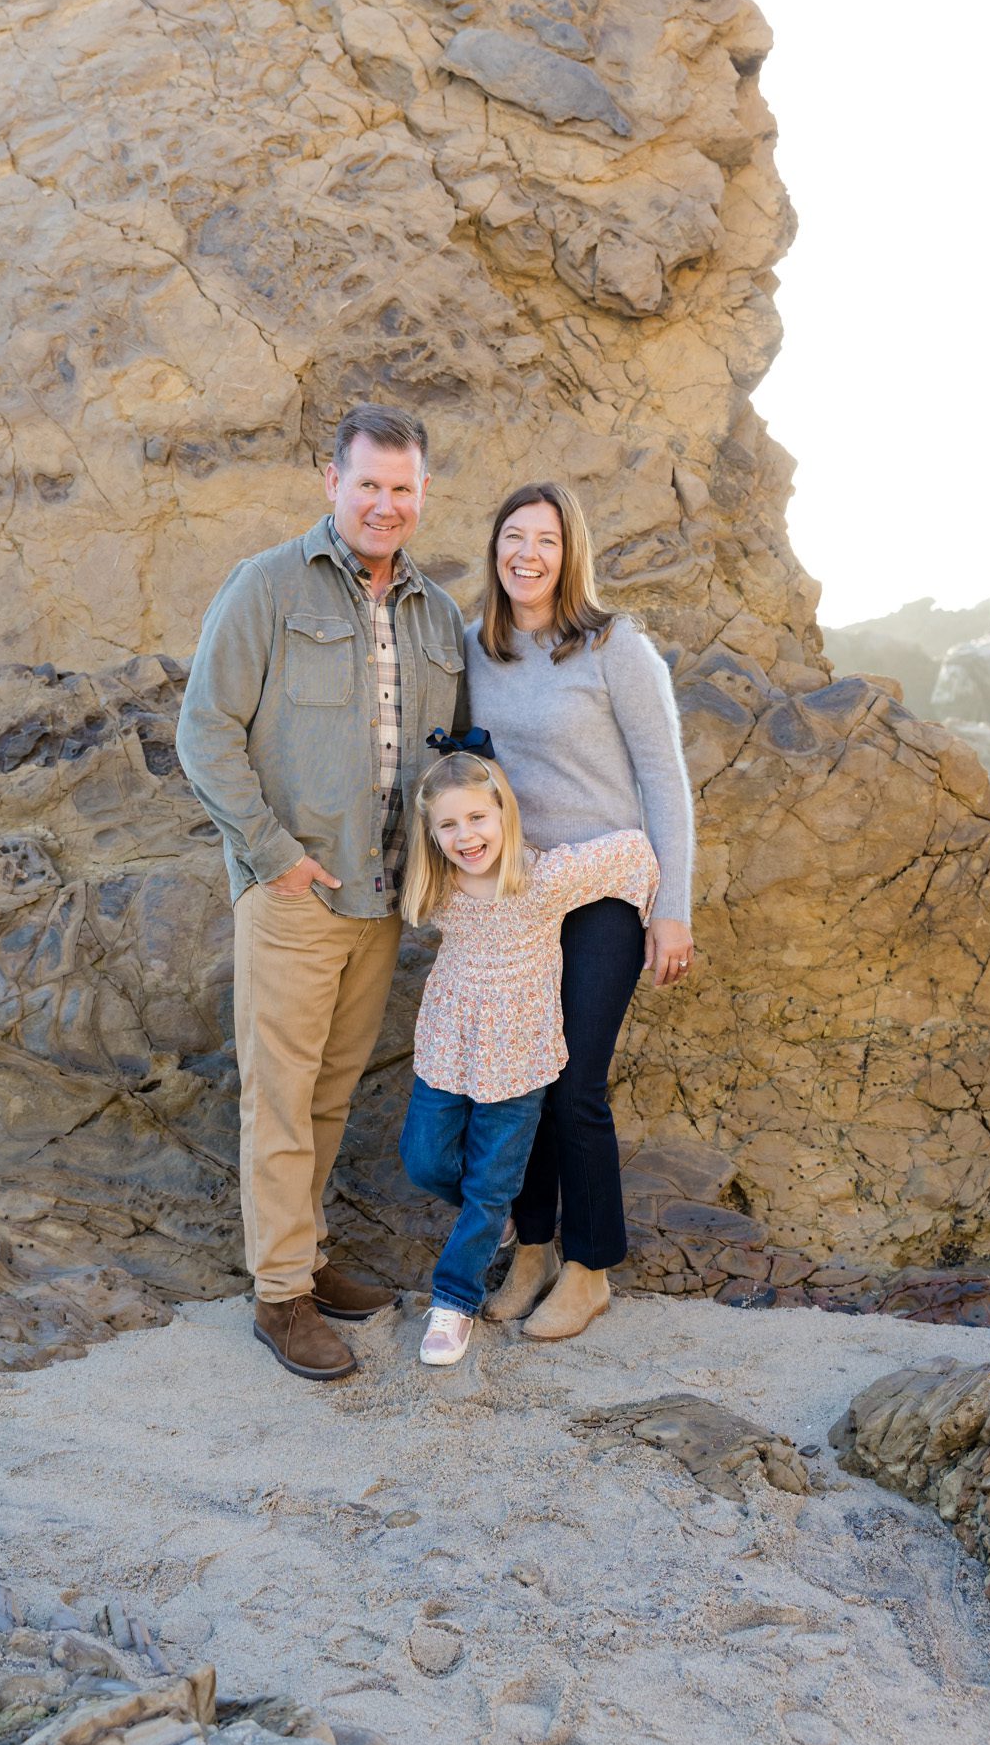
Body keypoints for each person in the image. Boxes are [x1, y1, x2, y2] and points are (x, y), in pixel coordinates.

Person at [175, 404, 466, 1382]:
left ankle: (305, 1255)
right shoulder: (265, 587)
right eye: (369, 483)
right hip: (294, 895)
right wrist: (274, 854)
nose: (386, 503)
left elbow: (458, 755)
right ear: (330, 483)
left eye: (404, 487)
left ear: (424, 495)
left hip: (380, 900)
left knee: (332, 1095)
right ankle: (279, 1296)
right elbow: (204, 731)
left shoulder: (436, 614)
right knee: (280, 1100)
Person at [466, 481, 696, 1340]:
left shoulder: (612, 646)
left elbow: (663, 781)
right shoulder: (472, 649)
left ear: (570, 556)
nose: (527, 553)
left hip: (603, 887)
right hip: (519, 897)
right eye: (513, 536)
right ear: (494, 548)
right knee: (520, 1078)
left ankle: (589, 1266)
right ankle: (531, 1249)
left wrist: (669, 910)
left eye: (547, 541)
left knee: (575, 1082)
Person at [398, 743, 659, 1366]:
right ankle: (508, 1226)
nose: (466, 836)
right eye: (449, 825)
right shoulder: (436, 885)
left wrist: (664, 915)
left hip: (520, 1055)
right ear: (431, 834)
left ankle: (454, 1302)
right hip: (450, 1046)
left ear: (505, 815)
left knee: (492, 1183)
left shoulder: (541, 878)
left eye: (478, 819)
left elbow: (632, 852)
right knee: (424, 1159)